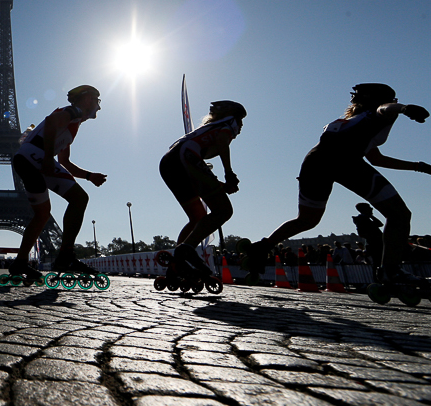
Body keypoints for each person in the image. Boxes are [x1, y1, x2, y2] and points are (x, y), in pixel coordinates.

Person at [243, 84, 431, 285]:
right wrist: (404, 108)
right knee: (399, 214)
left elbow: (376, 159)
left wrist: (419, 166)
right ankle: (391, 271)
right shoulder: (378, 113)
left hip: (315, 162)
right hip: (344, 162)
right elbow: (384, 109)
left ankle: (261, 248)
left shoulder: (350, 120)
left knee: (307, 220)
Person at [7, 85, 107, 283]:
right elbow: (52, 122)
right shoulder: (73, 112)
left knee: (42, 214)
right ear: (87, 100)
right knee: (79, 199)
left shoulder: (73, 124)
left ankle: (20, 262)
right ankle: (66, 256)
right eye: (97, 101)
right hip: (35, 157)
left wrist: (89, 176)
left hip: (28, 158)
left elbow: (65, 163)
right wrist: (45, 159)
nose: (99, 107)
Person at [159, 100, 246, 279]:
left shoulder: (209, 127)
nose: (242, 126)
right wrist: (229, 173)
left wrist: (221, 185)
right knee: (223, 210)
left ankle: (177, 263)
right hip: (186, 157)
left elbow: (200, 175)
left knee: (197, 218)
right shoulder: (229, 123)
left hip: (170, 162)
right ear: (234, 117)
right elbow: (223, 141)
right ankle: (185, 250)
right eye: (242, 121)